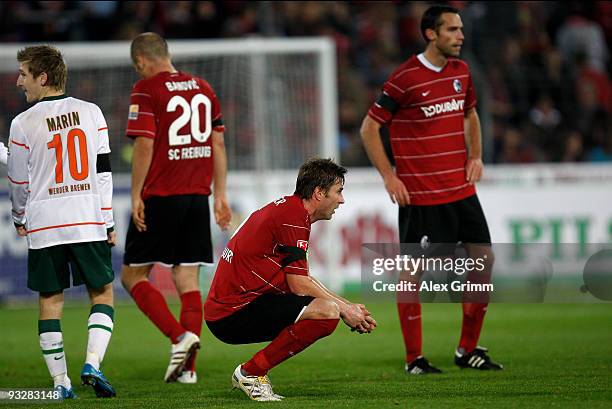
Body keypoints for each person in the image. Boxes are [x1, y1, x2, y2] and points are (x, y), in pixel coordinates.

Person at [360, 5, 502, 374]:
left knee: (483, 262)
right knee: (412, 274)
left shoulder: (462, 72)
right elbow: (369, 129)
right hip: (422, 197)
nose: (461, 36)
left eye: (461, 29)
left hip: (461, 190)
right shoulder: (404, 78)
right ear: (431, 34)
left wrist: (477, 156)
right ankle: (414, 359)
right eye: (452, 30)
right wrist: (390, 176)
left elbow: (470, 114)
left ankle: (467, 350)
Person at [204, 158, 377, 401]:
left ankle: (251, 372)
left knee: (329, 309)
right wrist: (344, 309)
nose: (342, 200)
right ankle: (250, 373)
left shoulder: (289, 210)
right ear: (318, 193)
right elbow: (299, 285)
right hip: (231, 313)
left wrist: (346, 306)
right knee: (326, 313)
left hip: (237, 306)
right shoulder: (292, 216)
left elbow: (301, 279)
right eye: (338, 192)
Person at [120, 32, 232, 384]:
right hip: (197, 198)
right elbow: (217, 142)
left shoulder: (146, 89)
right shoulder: (203, 87)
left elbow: (144, 145)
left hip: (161, 196)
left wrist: (136, 193)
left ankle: (179, 336)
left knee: (132, 276)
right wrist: (220, 195)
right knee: (187, 279)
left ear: (141, 62)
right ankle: (189, 371)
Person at [8, 45, 116, 398]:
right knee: (102, 293)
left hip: (45, 222)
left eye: (24, 73)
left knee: (50, 300)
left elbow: (19, 181)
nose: (18, 81)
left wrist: (19, 217)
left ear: (43, 77)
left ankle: (61, 383)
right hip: (87, 217)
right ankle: (93, 363)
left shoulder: (23, 122)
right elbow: (102, 173)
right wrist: (109, 222)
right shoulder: (92, 112)